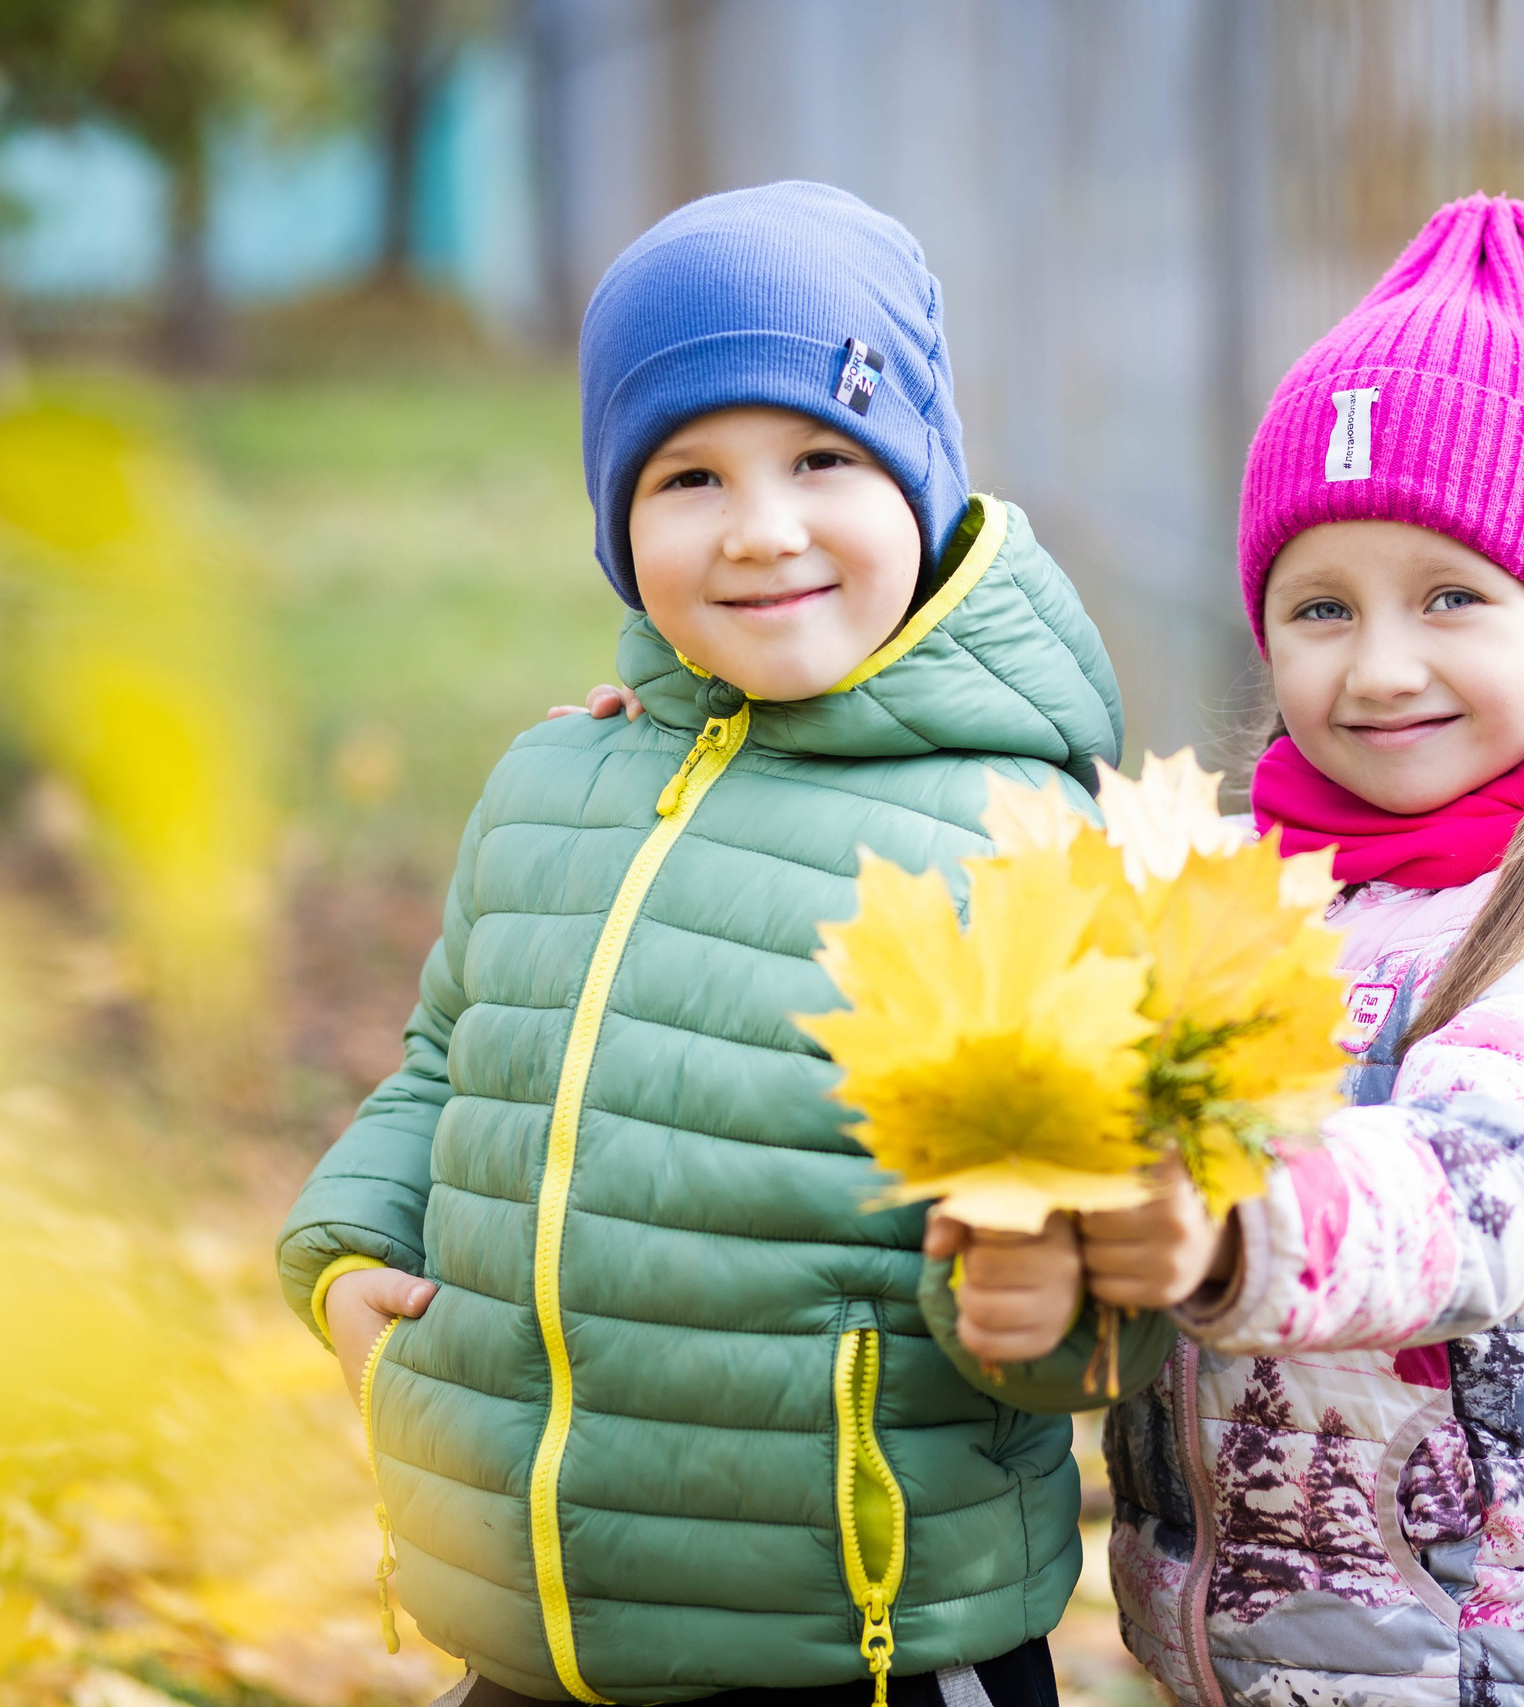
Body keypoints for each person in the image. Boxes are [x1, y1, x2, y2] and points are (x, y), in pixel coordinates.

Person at [277, 181, 1164, 1707]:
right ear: (620, 522)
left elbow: (1095, 1293)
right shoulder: (556, 782)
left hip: (861, 1645)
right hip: (534, 1624)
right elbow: (447, 1058)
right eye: (688, 476)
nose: (762, 529)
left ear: (925, 484)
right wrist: (347, 1250)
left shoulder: (1017, 836)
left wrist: (1049, 1311)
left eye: (824, 456)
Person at [935, 195, 1524, 1707]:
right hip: (1238, 1656)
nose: (1380, 667)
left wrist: (1234, 1224)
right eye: (1322, 605)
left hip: (1489, 1661)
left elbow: (1486, 1187)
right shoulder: (1248, 898)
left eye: (1452, 595)